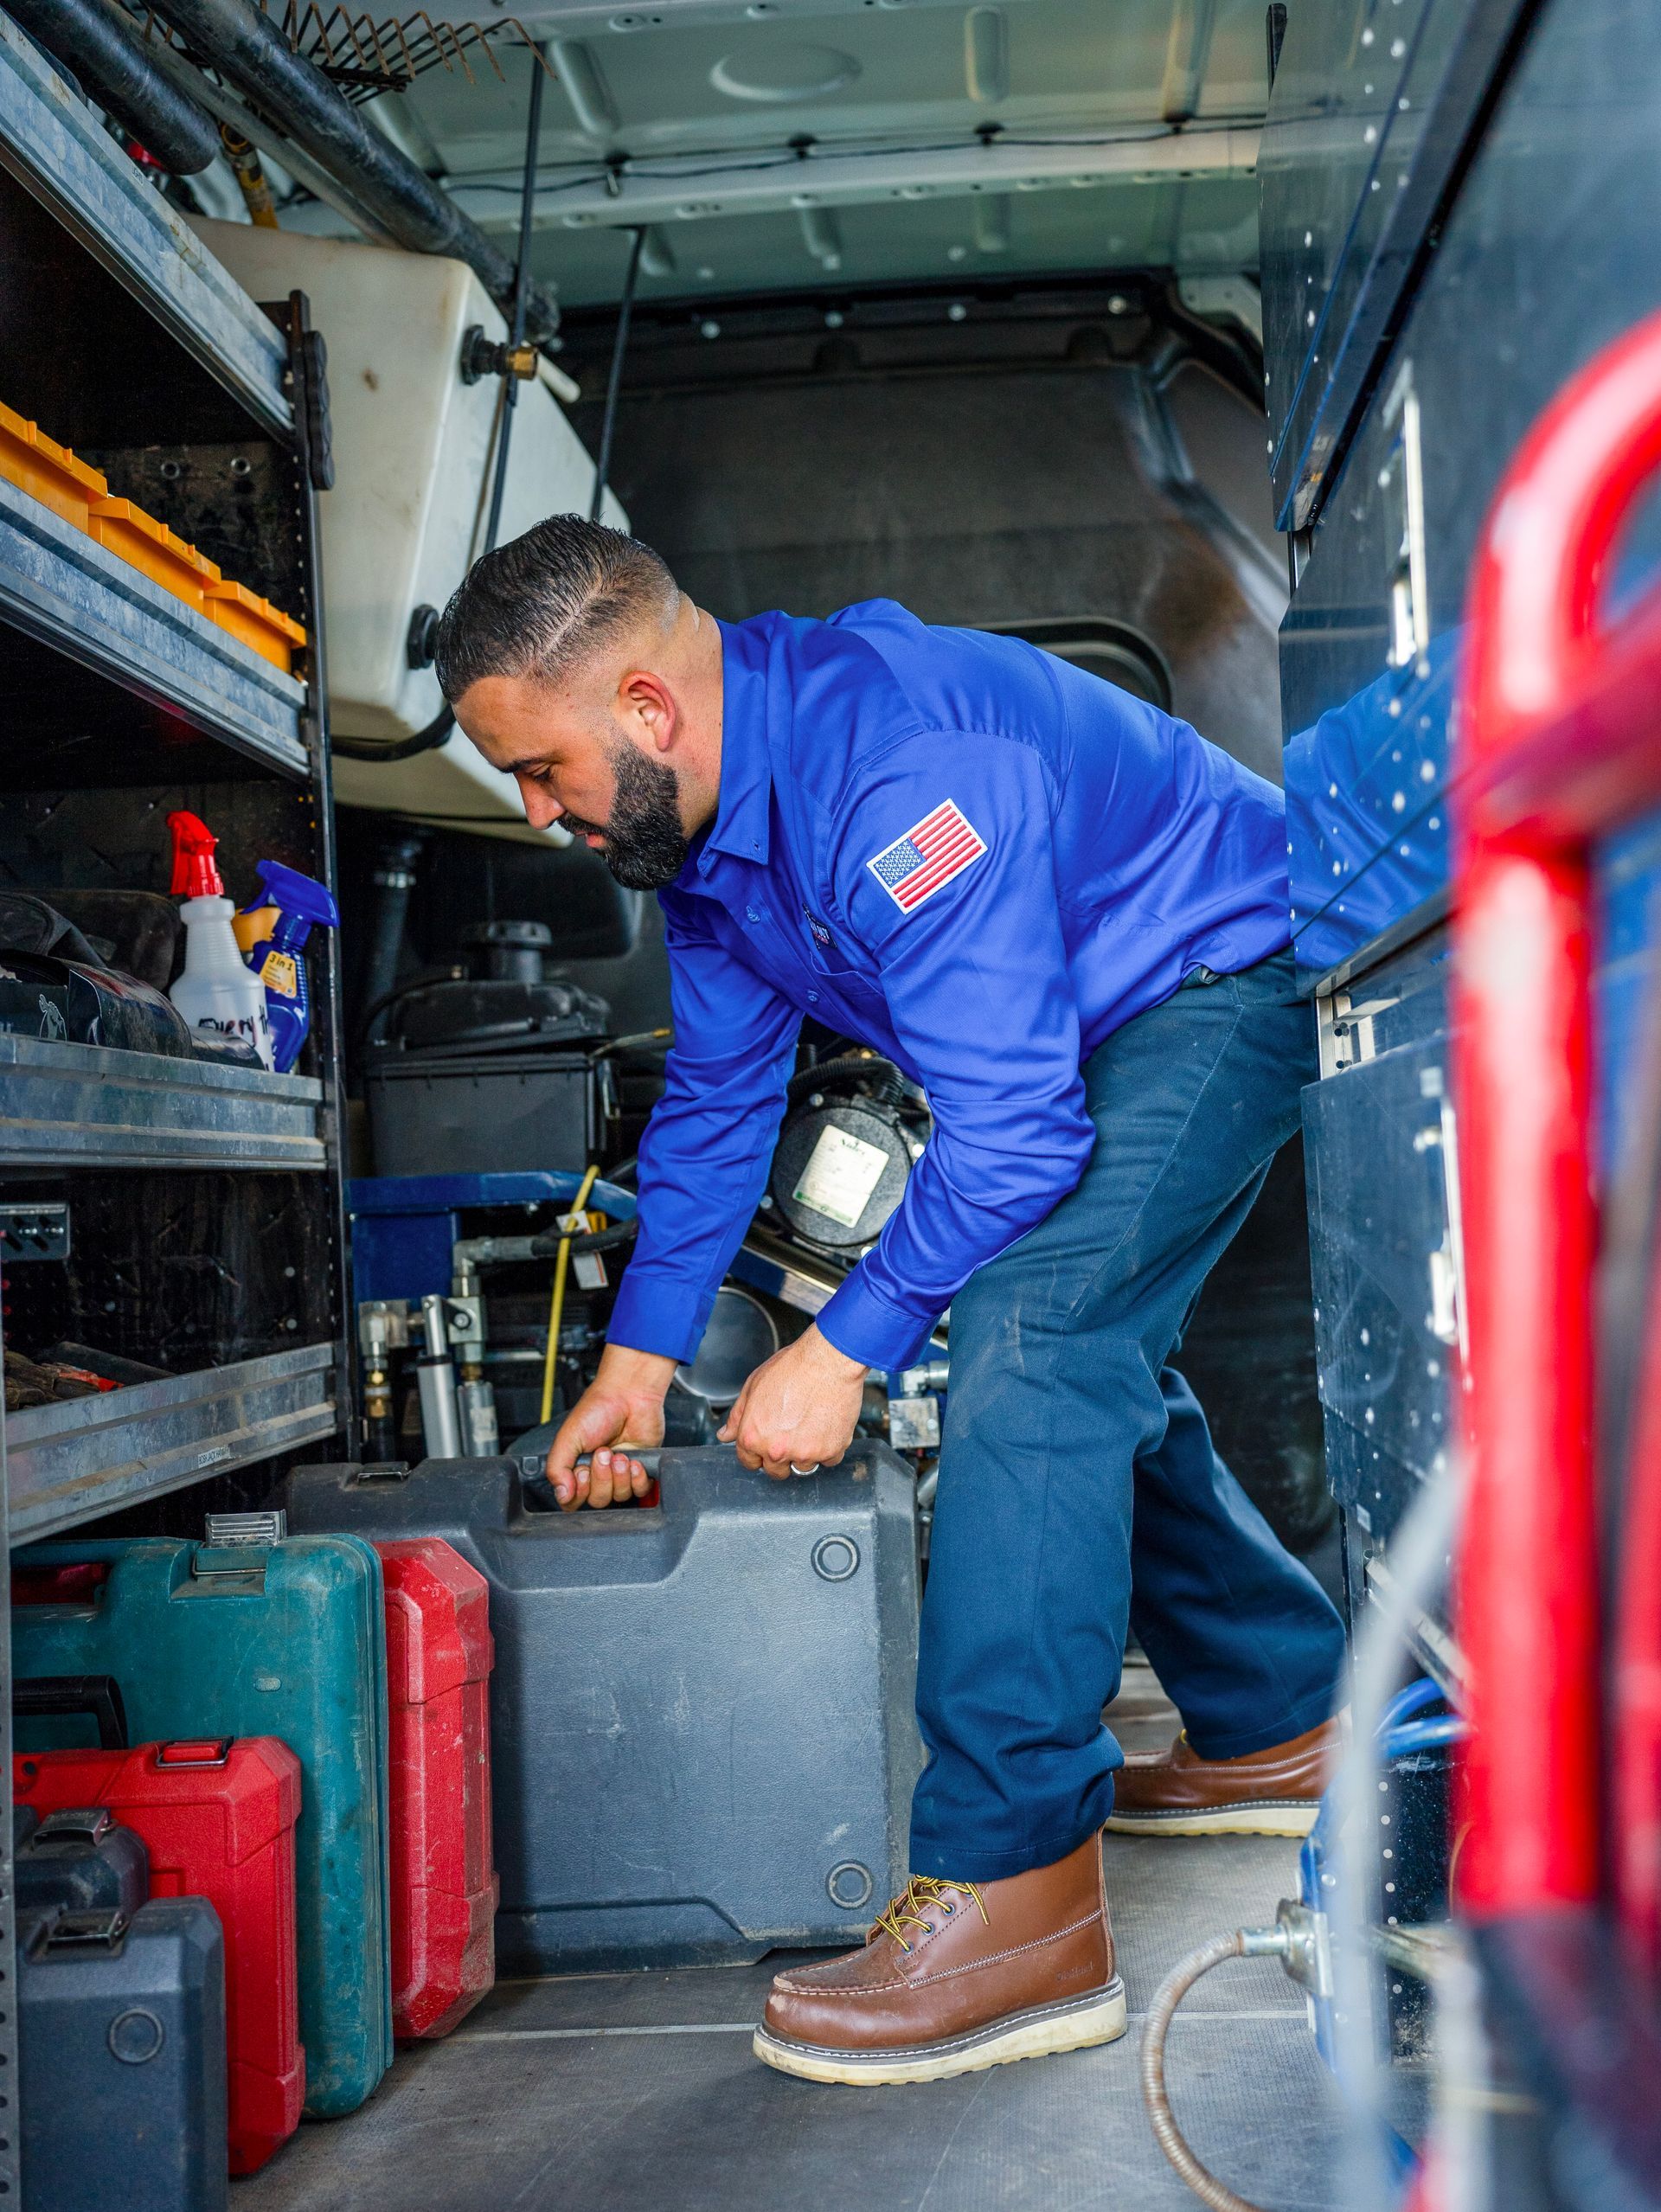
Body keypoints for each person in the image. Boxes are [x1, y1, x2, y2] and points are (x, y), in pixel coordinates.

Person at [434, 514, 1346, 2087]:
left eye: (545, 768)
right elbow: (718, 1099)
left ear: (646, 711)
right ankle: (1278, 1707)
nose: (539, 814)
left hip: (1221, 970)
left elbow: (1018, 1132)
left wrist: (843, 1345)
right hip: (1090, 1019)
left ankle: (1017, 1904)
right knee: (1069, 1341)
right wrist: (639, 1359)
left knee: (1037, 1337)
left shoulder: (891, 776)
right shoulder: (705, 842)